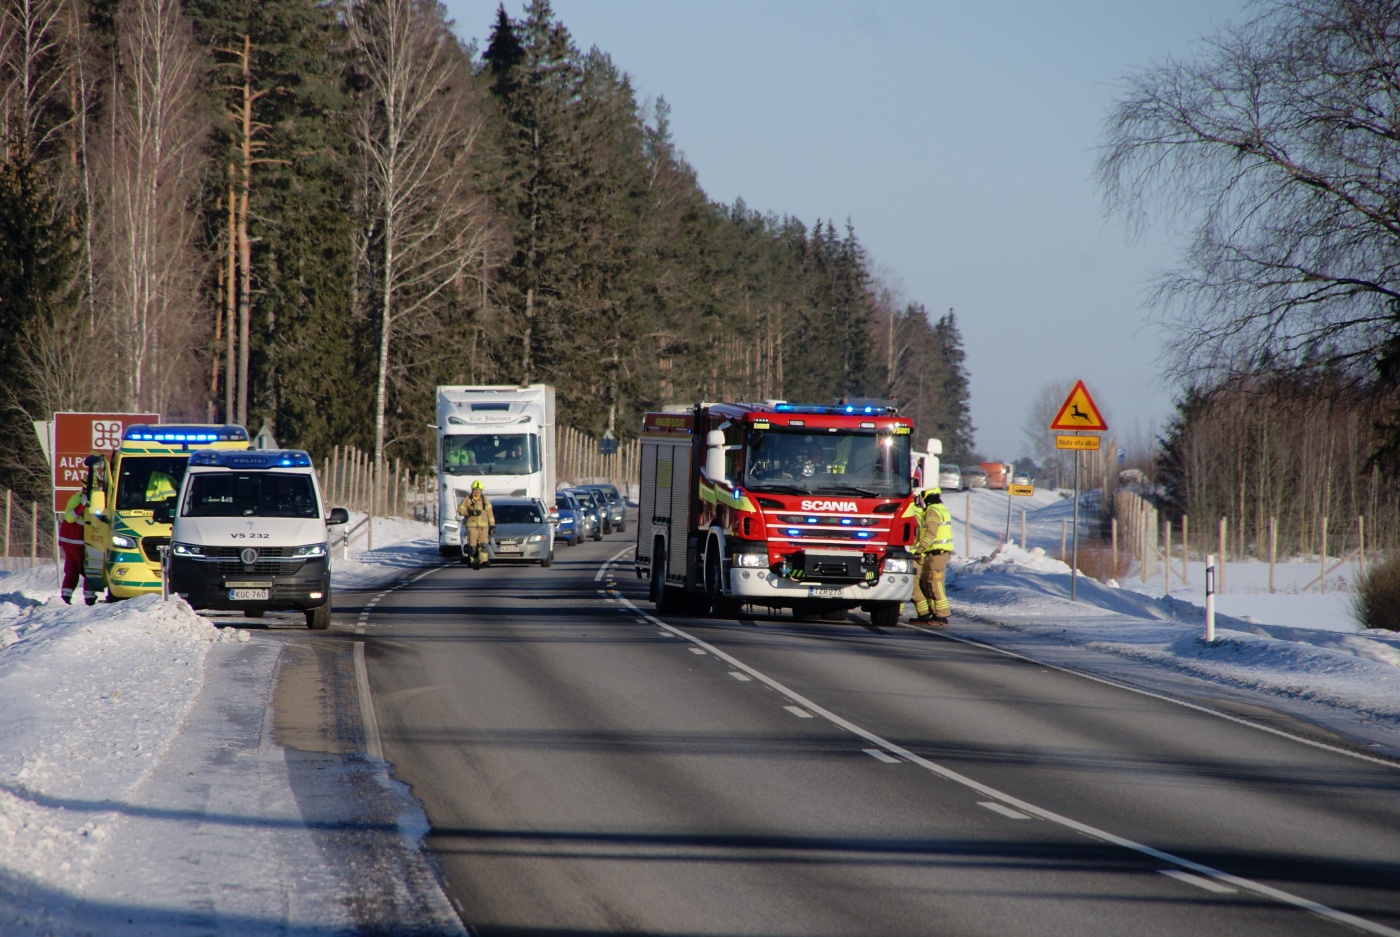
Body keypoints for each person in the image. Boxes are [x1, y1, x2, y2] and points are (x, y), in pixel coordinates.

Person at [909, 487, 953, 625]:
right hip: (936, 553)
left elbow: (931, 532)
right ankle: (933, 613)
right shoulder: (941, 509)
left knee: (935, 583)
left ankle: (942, 614)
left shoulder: (932, 511)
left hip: (936, 554)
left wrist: (920, 548)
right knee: (928, 583)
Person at [58, 490, 94, 605]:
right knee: (88, 569)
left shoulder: (78, 497)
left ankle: (66, 595)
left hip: (70, 541)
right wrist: (82, 506)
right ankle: (89, 597)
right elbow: (70, 517)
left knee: (72, 569)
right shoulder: (80, 499)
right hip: (77, 541)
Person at [456, 480, 495, 569]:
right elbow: (459, 511)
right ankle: (473, 561)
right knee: (472, 546)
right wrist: (469, 512)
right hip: (472, 527)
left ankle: (483, 561)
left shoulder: (485, 501)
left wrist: (492, 526)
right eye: (475, 489)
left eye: (479, 490)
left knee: (483, 544)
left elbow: (490, 514)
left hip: (483, 527)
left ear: (481, 491)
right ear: (472, 490)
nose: (477, 491)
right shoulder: (467, 500)